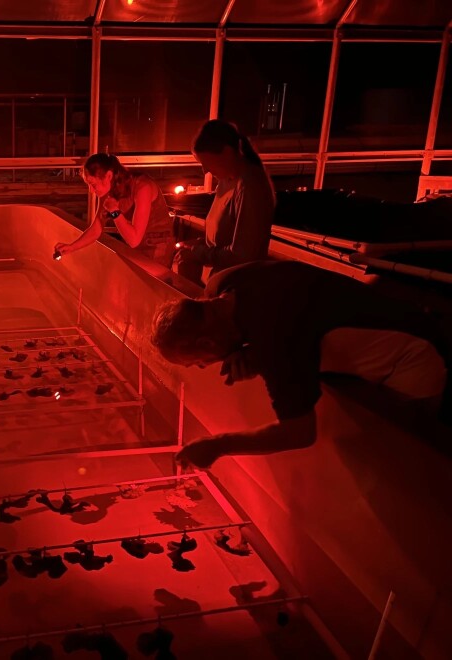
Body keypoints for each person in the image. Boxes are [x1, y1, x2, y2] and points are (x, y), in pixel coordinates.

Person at [151, 261, 450, 469]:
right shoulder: (222, 284)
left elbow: (300, 433)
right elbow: (286, 317)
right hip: (389, 312)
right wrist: (242, 349)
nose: (206, 366)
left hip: (416, 355)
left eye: (198, 363)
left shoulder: (275, 338)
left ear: (206, 344)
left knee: (414, 451)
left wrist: (217, 446)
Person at [174, 120, 275, 286]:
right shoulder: (225, 181)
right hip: (221, 283)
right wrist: (196, 245)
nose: (205, 171)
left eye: (207, 163)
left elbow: (242, 255)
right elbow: (222, 238)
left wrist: (198, 253)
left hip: (238, 289)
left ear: (227, 152)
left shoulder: (250, 185)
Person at [54, 153, 174, 266]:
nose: (91, 190)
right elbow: (97, 228)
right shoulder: (108, 190)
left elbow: (134, 239)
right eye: (88, 185)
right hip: (137, 247)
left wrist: (115, 211)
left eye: (93, 184)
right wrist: (72, 247)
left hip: (158, 245)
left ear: (109, 176)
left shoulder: (142, 187)